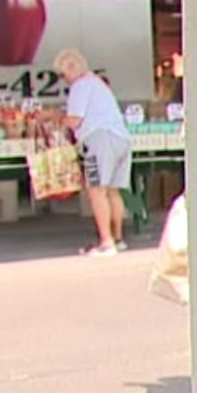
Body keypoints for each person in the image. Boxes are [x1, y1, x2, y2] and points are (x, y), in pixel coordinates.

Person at [55, 49, 131, 257]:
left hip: (98, 139)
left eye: (62, 74)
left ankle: (106, 242)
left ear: (72, 68)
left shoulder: (80, 85)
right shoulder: (97, 83)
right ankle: (118, 238)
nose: (64, 80)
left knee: (96, 190)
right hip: (120, 138)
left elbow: (75, 120)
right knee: (113, 191)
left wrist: (56, 119)